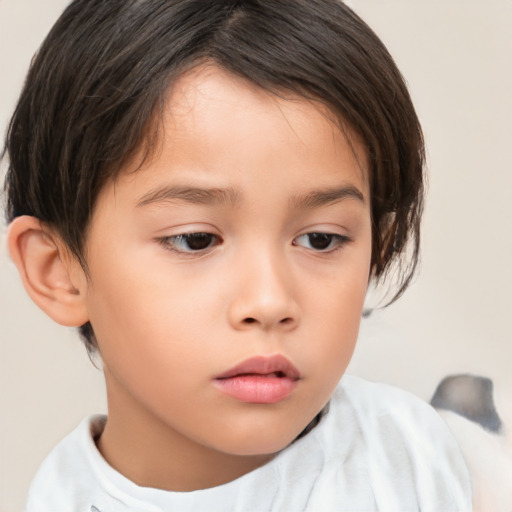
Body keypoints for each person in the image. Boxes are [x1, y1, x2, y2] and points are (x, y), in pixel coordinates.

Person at [3, 0, 472, 510]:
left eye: (321, 239)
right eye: (195, 240)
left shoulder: (425, 462)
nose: (270, 301)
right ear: (60, 273)